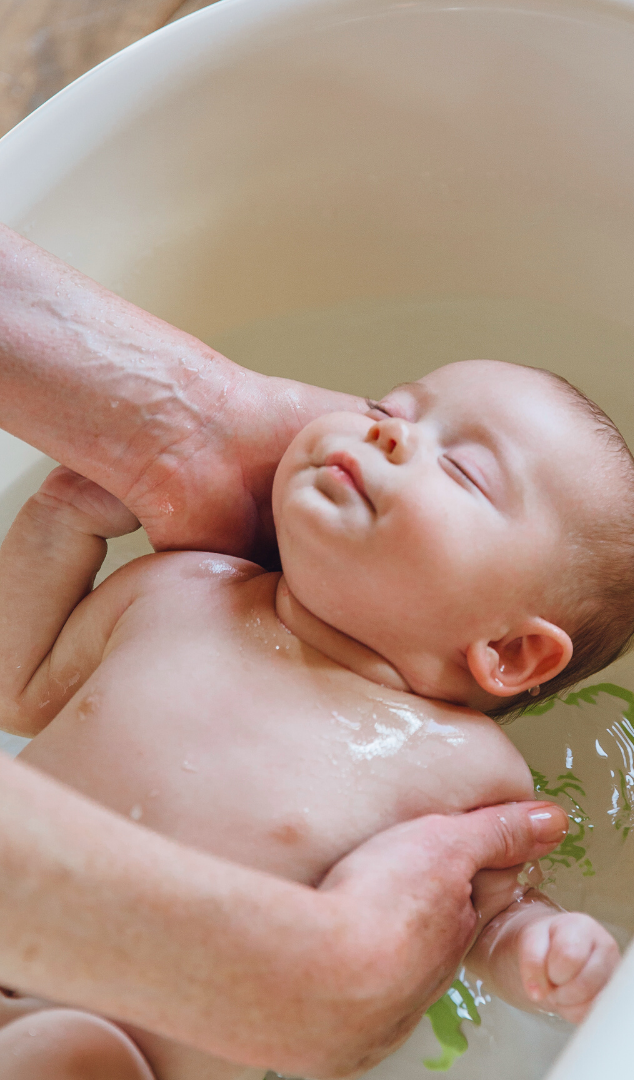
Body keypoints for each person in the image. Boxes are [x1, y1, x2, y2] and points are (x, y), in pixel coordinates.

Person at [0, 224, 575, 1078]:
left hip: (119, 1056)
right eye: (388, 410)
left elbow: (466, 915)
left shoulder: (464, 765)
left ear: (512, 650)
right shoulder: (180, 591)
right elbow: (18, 687)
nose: (386, 434)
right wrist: (60, 523)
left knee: (76, 1056)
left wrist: (535, 946)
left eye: (462, 472)